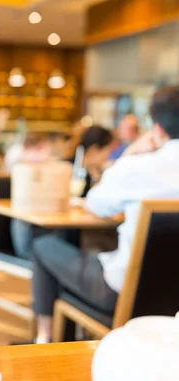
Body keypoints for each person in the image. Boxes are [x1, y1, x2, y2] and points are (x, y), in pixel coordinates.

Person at [31, 85, 179, 344]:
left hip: (124, 295)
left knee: (42, 245)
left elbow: (95, 204)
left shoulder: (138, 167)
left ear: (157, 130)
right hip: (172, 302)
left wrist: (131, 153)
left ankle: (44, 338)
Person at [9, 126, 113, 260]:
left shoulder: (94, 173)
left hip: (64, 235)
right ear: (93, 150)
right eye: (107, 151)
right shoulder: (64, 170)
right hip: (44, 236)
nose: (108, 156)